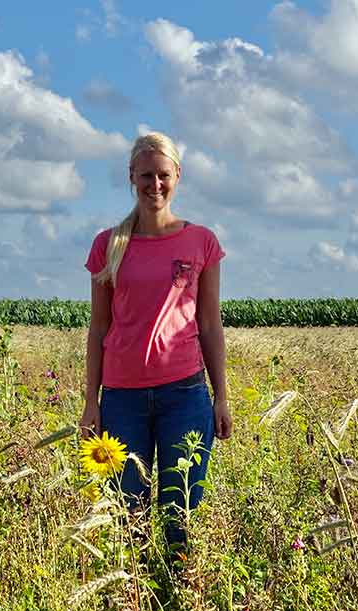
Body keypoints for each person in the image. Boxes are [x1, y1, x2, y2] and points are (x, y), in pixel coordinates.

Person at [80, 132, 232, 555]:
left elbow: (209, 323)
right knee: (128, 511)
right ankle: (136, 605)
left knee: (179, 508)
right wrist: (91, 403)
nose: (155, 185)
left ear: (178, 176)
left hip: (184, 394)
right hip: (122, 398)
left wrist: (221, 396)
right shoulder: (107, 245)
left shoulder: (201, 242)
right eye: (146, 175)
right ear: (131, 176)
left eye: (163, 175)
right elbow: (98, 329)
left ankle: (176, 596)